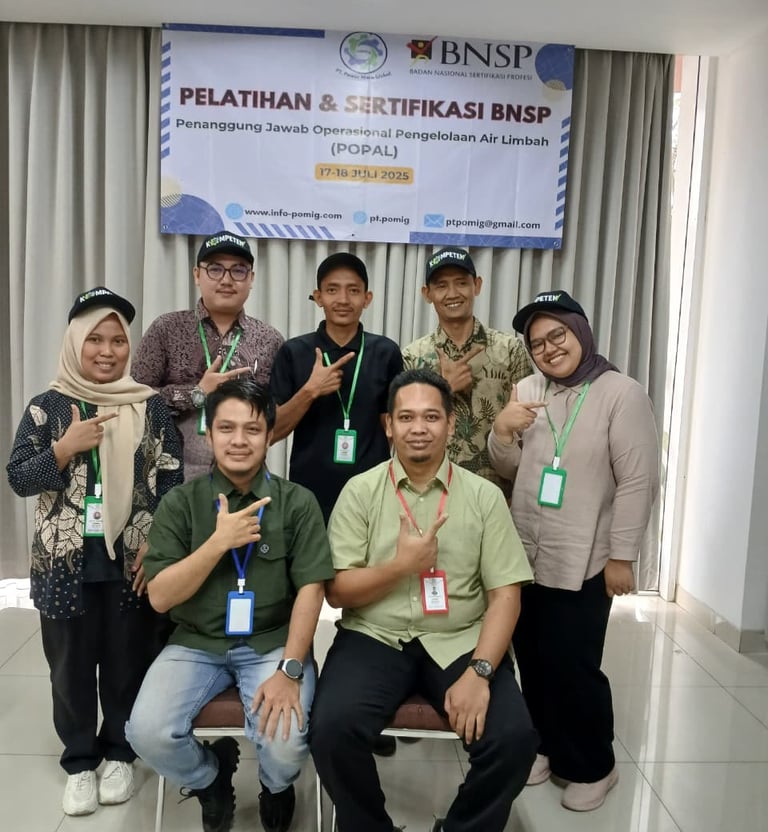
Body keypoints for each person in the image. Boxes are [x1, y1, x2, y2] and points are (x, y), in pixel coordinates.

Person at [310, 368, 538, 832]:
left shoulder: (484, 496)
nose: (419, 428)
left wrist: (480, 672)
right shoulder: (360, 492)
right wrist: (401, 567)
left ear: (450, 424)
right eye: (406, 417)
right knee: (331, 730)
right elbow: (337, 591)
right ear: (388, 425)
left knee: (514, 740)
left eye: (431, 417)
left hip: (460, 638)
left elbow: (506, 595)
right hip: (374, 635)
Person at [126, 379, 334, 832]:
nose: (239, 440)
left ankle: (275, 788)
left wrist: (290, 670)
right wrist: (217, 543)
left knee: (286, 747)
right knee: (145, 733)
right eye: (226, 428)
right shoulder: (181, 503)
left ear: (270, 435)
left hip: (271, 642)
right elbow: (160, 596)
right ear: (208, 432)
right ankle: (211, 777)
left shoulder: (297, 503)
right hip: (195, 642)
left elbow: (311, 590)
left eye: (252, 429)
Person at [6, 287, 184, 817]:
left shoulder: (149, 405)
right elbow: (19, 477)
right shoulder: (47, 407)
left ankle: (121, 753)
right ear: (75, 343)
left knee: (129, 661)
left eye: (118, 341)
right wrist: (63, 449)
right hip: (64, 565)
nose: (107, 351)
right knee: (70, 668)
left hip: (132, 562)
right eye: (95, 340)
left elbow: (171, 475)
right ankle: (81, 761)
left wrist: (159, 537)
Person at [487, 290, 660, 812]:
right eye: (537, 343)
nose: (549, 349)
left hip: (586, 555)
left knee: (574, 664)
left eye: (557, 335)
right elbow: (509, 468)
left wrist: (622, 556)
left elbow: (638, 481)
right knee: (532, 657)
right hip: (525, 552)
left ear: (580, 331)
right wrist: (502, 431)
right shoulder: (526, 389)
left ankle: (592, 765)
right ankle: (542, 744)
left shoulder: (620, 393)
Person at [133, 231, 284, 480]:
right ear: (197, 275)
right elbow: (134, 398)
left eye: (238, 270)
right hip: (172, 478)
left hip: (245, 480)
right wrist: (196, 393)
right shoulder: (167, 329)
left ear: (251, 278)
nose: (226, 280)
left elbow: (275, 414)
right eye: (215, 269)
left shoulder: (269, 340)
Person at [269, 252, 403, 524]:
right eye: (332, 290)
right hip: (309, 492)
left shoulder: (385, 352)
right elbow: (271, 432)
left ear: (367, 298)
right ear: (318, 297)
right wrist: (310, 391)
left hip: (372, 490)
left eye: (353, 290)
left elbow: (393, 426)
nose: (343, 299)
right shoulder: (294, 352)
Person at [402, 247, 532, 497]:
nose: (452, 293)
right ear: (427, 294)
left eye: (461, 283)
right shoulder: (412, 356)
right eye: (441, 285)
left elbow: (528, 429)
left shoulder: (510, 350)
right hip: (429, 492)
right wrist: (443, 389)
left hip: (496, 494)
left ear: (477, 285)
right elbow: (404, 428)